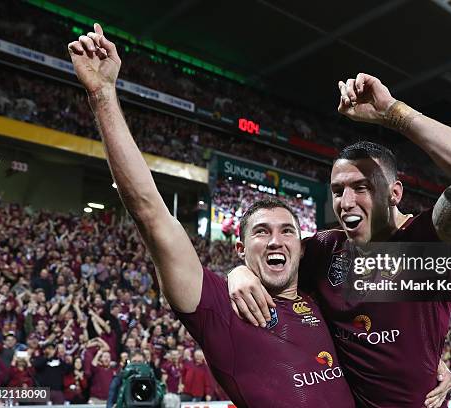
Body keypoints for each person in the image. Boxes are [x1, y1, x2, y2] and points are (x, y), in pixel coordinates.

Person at [68, 24, 355, 407]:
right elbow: (149, 211)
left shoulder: (324, 298)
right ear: (239, 248)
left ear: (301, 248)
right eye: (262, 232)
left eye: (287, 231)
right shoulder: (218, 307)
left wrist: (431, 358)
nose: (275, 239)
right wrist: (103, 94)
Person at [229, 74, 451, 407]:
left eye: (362, 187)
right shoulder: (324, 249)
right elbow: (269, 255)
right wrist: (238, 272)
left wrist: (392, 112)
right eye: (337, 190)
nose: (346, 202)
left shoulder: (428, 242)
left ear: (395, 193)